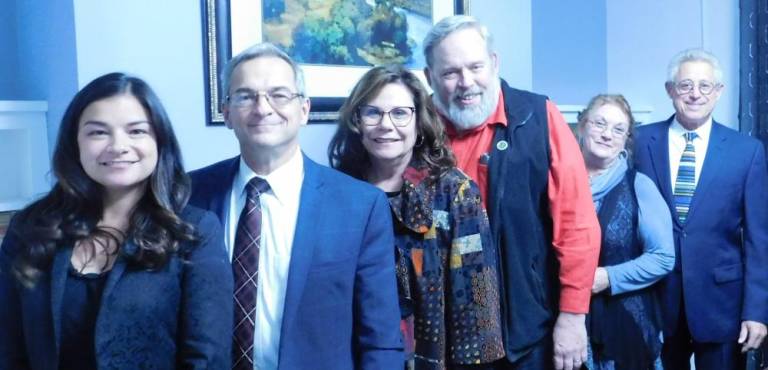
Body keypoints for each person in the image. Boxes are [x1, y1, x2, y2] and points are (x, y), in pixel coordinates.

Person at [188, 43, 403, 370]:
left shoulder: (360, 206)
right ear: (227, 112)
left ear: (303, 110)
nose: (263, 108)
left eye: (279, 94)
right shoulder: (189, 195)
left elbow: (381, 341)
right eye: (245, 96)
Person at [0, 72, 233, 369]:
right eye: (98, 132)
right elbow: (8, 347)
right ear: (75, 143)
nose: (118, 145)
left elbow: (207, 358)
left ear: (159, 141)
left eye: (137, 131)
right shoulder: (29, 228)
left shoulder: (195, 232)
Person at [422, 15, 601, 370]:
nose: (466, 82)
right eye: (450, 73)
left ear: (494, 62)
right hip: (442, 333)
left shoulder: (537, 116)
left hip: (524, 332)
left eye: (475, 67)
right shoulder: (414, 126)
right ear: (429, 78)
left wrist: (572, 316)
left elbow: (576, 224)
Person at [329, 64, 505, 369]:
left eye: (400, 113)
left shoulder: (456, 193)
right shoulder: (336, 191)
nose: (386, 125)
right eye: (373, 113)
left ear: (418, 121)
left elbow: (480, 309)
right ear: (356, 120)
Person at [634, 49, 768, 370]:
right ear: (670, 90)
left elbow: (758, 239)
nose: (696, 94)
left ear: (718, 92)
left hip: (723, 305)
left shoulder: (746, 151)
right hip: (656, 302)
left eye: (705, 86)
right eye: (686, 86)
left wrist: (757, 312)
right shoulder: (639, 141)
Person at [576, 94, 674, 369]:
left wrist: (607, 277)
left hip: (625, 324)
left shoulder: (639, 186)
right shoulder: (556, 181)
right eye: (600, 124)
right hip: (564, 323)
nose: (607, 134)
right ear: (582, 125)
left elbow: (663, 257)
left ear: (626, 139)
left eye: (618, 129)